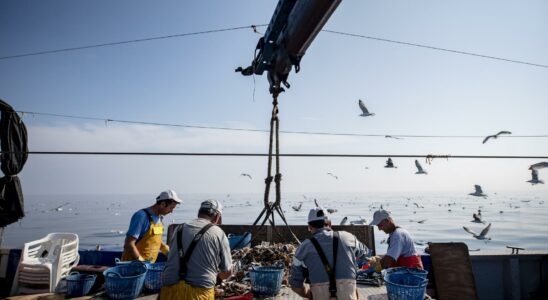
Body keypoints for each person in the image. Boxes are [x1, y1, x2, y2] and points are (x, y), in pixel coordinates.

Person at [290, 207, 370, 300]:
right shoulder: (348, 237)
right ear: (330, 223)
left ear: (309, 227)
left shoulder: (303, 248)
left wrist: (309, 294)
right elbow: (366, 253)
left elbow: (296, 286)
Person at [160, 199, 232, 300]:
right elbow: (228, 272)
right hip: (199, 294)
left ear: (199, 213)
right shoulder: (218, 233)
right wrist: (218, 279)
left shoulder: (178, 229)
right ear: (217, 217)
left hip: (168, 291)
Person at [121, 190, 181, 263]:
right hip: (132, 266)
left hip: (148, 266)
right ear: (162, 204)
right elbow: (129, 244)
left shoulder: (159, 218)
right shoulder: (141, 216)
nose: (171, 211)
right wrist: (141, 261)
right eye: (171, 208)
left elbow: (154, 239)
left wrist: (168, 252)